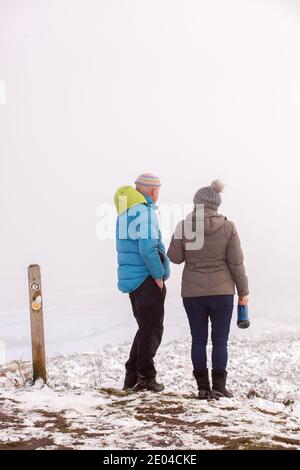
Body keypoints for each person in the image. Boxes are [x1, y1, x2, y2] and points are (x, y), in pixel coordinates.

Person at [167, 180, 249, 399]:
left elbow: (174, 258)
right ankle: (220, 387)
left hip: (193, 294)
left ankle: (203, 388)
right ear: (216, 204)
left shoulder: (184, 225)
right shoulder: (228, 226)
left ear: (196, 203)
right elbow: (236, 263)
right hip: (222, 292)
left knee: (198, 340)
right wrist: (243, 292)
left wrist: (177, 238)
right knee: (220, 341)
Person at [114, 173, 170, 392]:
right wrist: (158, 275)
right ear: (153, 191)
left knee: (145, 328)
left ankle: (131, 376)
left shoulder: (125, 212)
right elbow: (147, 248)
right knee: (153, 328)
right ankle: (146, 376)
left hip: (133, 280)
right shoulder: (144, 212)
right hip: (146, 279)